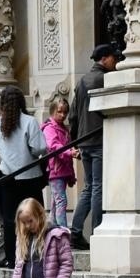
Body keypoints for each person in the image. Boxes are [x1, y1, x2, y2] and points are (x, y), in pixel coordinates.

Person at [69, 43, 119, 250]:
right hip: (98, 140)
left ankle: (75, 231)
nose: (116, 63)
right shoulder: (105, 79)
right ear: (105, 59)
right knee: (97, 186)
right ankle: (98, 231)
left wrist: (76, 142)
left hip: (85, 141)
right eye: (114, 59)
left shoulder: (82, 81)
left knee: (89, 187)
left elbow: (73, 115)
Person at [0, 86, 48, 268]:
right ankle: (38, 253)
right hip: (30, 176)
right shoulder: (29, 121)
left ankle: (12, 258)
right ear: (21, 101)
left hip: (7, 177)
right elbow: (40, 148)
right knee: (35, 217)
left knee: (11, 221)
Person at [44, 97, 77, 228]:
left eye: (65, 112)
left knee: (55, 202)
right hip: (55, 171)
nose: (63, 115)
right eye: (59, 112)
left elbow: (67, 154)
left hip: (63, 171)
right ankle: (62, 230)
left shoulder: (64, 129)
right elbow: (53, 146)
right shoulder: (50, 128)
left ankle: (53, 229)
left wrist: (71, 175)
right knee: (61, 201)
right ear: (52, 111)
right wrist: (70, 152)